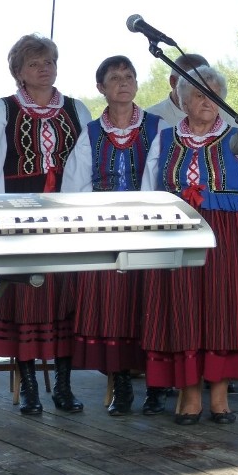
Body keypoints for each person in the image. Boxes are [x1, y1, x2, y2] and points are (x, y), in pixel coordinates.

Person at [140, 65, 238, 425]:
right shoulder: (164, 139)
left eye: (213, 95)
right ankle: (190, 394)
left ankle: (218, 396)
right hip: (176, 235)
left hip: (226, 239)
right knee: (182, 312)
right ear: (182, 100)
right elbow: (148, 194)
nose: (207, 102)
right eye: (199, 94)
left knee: (222, 312)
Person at [61, 55, 168, 416]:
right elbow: (74, 187)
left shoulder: (159, 127)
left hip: (149, 231)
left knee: (151, 307)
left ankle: (156, 387)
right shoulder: (91, 132)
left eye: (129, 76)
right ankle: (121, 385)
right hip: (105, 232)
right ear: (101, 88)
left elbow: (166, 179)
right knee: (115, 310)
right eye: (115, 78)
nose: (123, 83)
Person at [0, 34, 91, 415]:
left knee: (66, 293)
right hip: (19, 211)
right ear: (19, 72)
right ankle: (31, 387)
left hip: (65, 210)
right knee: (26, 296)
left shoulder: (76, 108)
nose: (44, 68)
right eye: (35, 63)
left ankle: (63, 387)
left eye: (49, 61)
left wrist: (81, 214)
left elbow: (84, 166)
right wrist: (1, 219)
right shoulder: (3, 110)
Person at [144, 53, 234, 126]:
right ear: (173, 82)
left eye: (207, 84)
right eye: (193, 83)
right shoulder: (150, 119)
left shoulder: (223, 113)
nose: (203, 91)